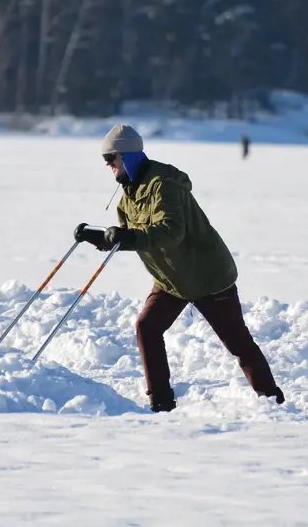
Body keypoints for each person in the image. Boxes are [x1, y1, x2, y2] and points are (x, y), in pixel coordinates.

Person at [74, 124, 285, 412]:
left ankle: (272, 400)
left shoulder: (164, 185)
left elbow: (170, 231)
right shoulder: (128, 198)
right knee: (147, 328)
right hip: (171, 279)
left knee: (237, 342)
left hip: (207, 275)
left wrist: (129, 236)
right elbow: (133, 238)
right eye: (105, 160)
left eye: (111, 158)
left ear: (128, 155)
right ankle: (160, 402)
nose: (108, 165)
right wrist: (99, 238)